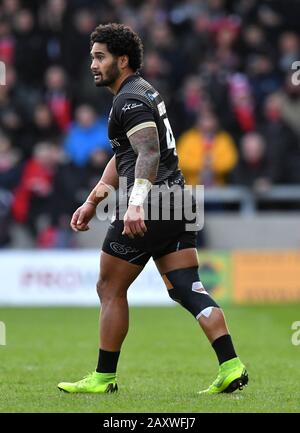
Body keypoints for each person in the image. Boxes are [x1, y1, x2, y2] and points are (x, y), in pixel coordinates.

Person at [57, 23, 248, 395]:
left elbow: (147, 152)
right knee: (185, 287)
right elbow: (125, 153)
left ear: (122, 60)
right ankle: (231, 365)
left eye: (100, 57)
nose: (93, 64)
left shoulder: (128, 100)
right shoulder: (141, 92)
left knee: (109, 285)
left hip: (154, 202)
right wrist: (93, 199)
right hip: (179, 199)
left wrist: (135, 205)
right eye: (92, 57)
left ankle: (103, 377)